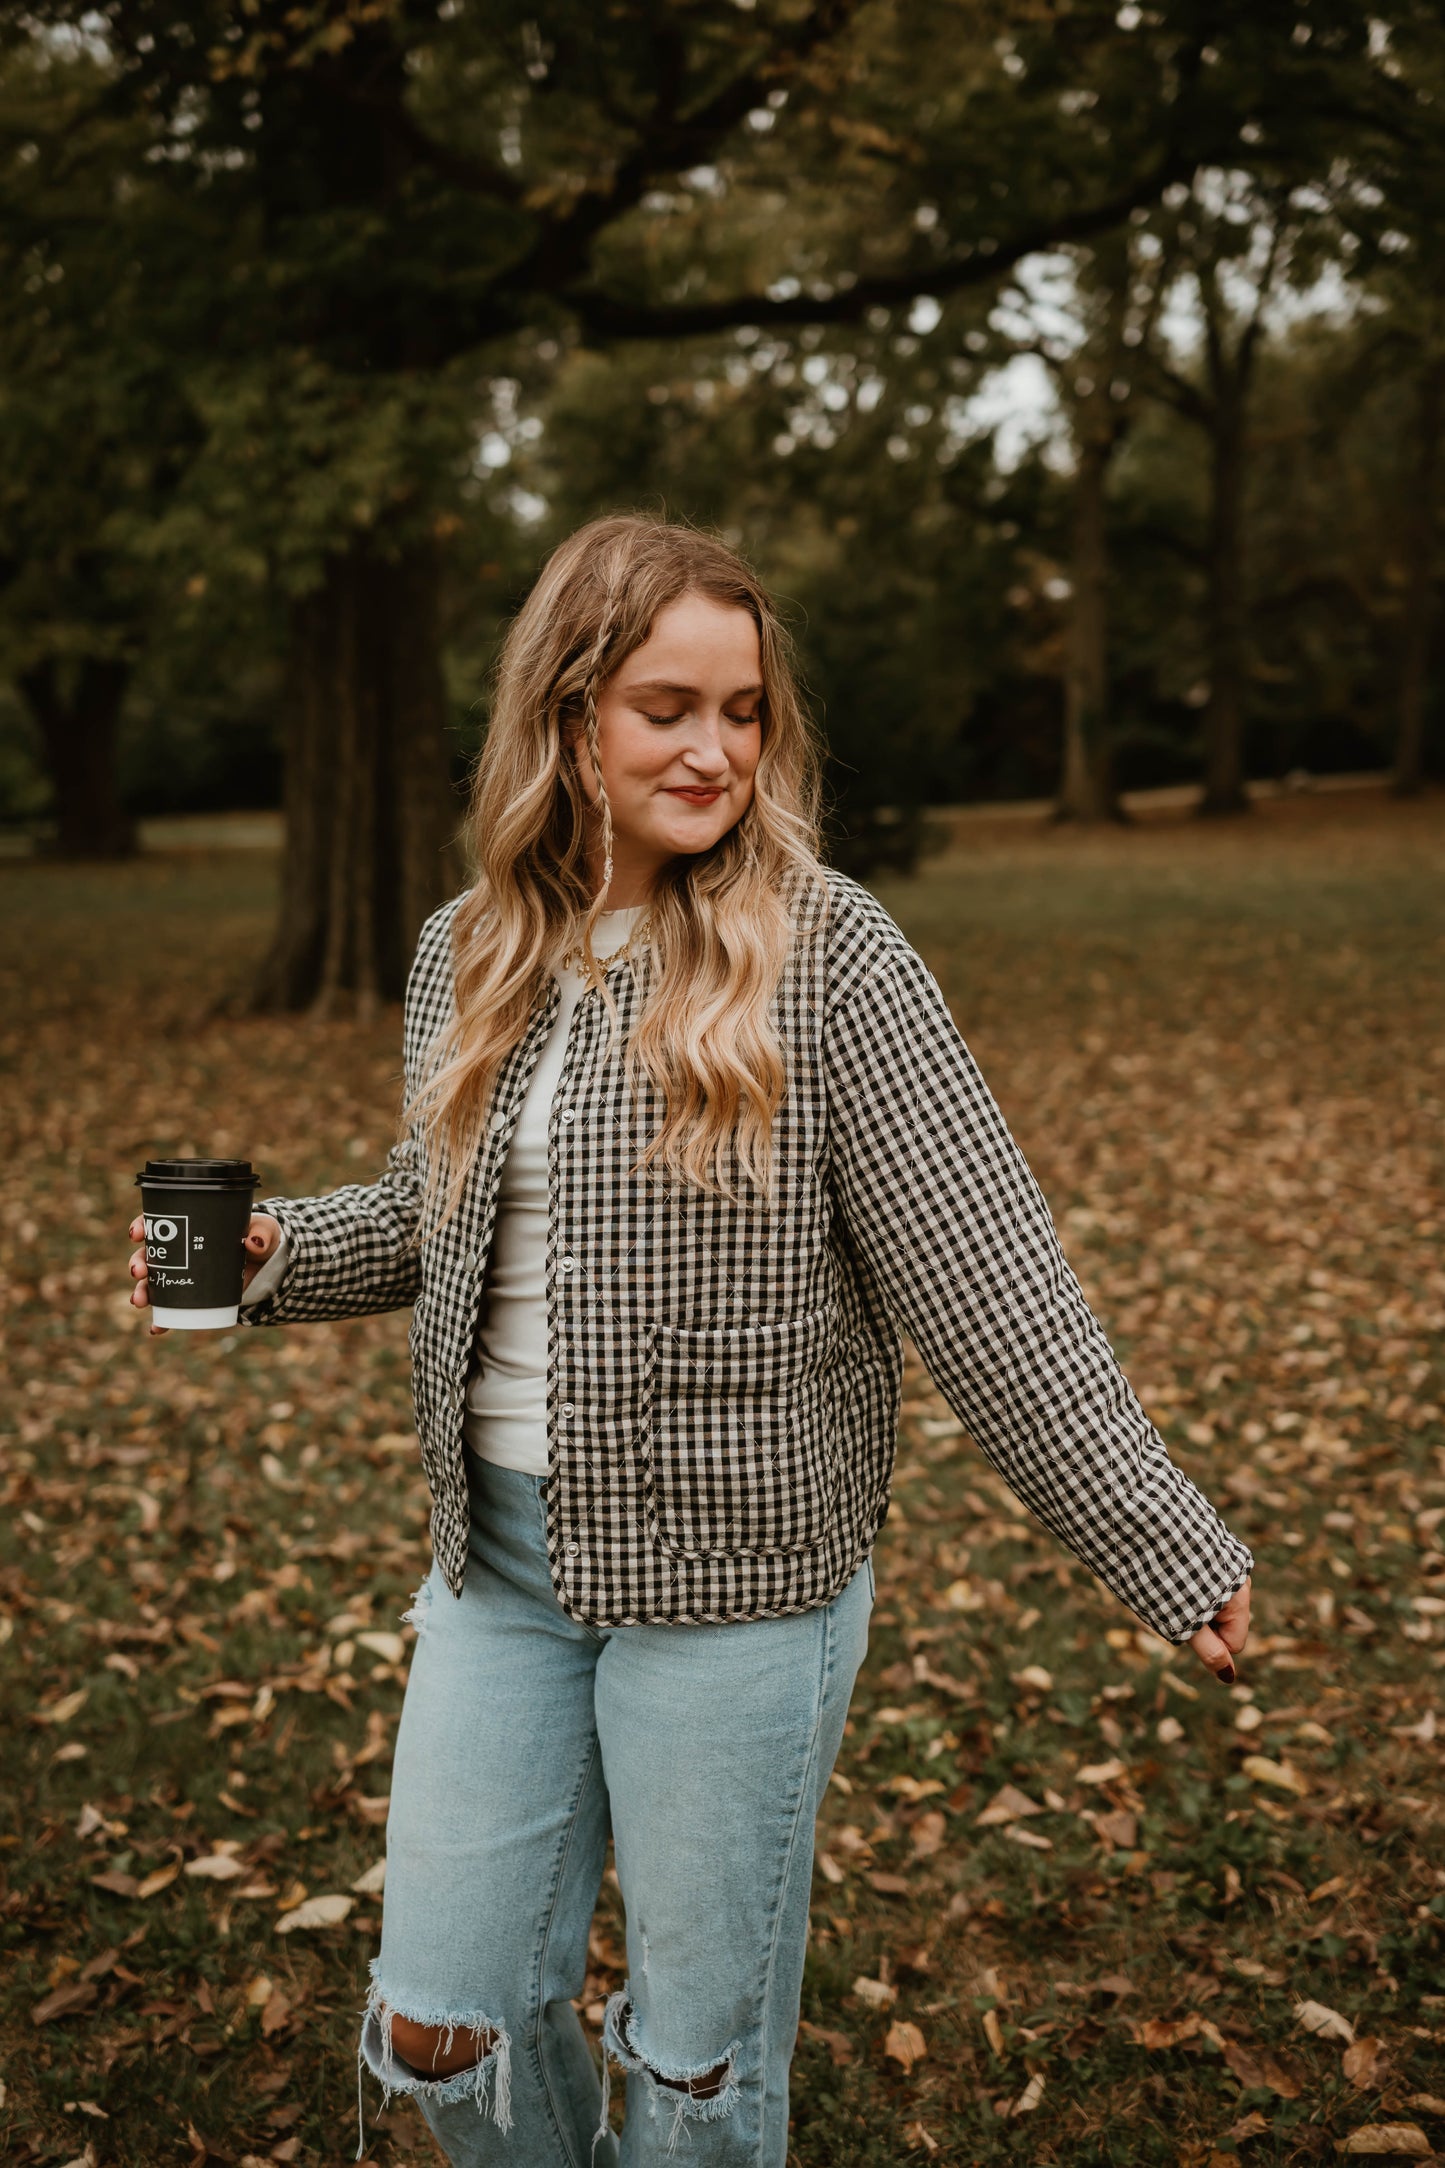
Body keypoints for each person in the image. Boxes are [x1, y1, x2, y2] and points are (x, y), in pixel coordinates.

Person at [126, 513, 1253, 2168]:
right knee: (441, 2029)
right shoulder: (470, 949)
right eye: (668, 707)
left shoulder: (828, 955)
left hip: (735, 1594)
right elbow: (437, 1223)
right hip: (494, 1573)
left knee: (694, 2067)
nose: (715, 749)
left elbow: (991, 1284)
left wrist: (1156, 1539)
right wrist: (287, 1252)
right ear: (571, 717)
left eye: (742, 712)